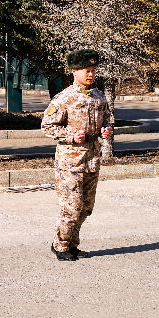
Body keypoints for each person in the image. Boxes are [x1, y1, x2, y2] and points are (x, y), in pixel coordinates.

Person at [41, 49, 113, 261]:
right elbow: (47, 126)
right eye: (86, 70)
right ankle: (60, 246)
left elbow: (107, 119)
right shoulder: (64, 98)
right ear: (74, 71)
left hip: (92, 158)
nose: (91, 74)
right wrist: (71, 135)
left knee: (86, 207)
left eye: (93, 70)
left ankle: (72, 244)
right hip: (70, 161)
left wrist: (105, 130)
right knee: (71, 206)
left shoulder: (99, 96)